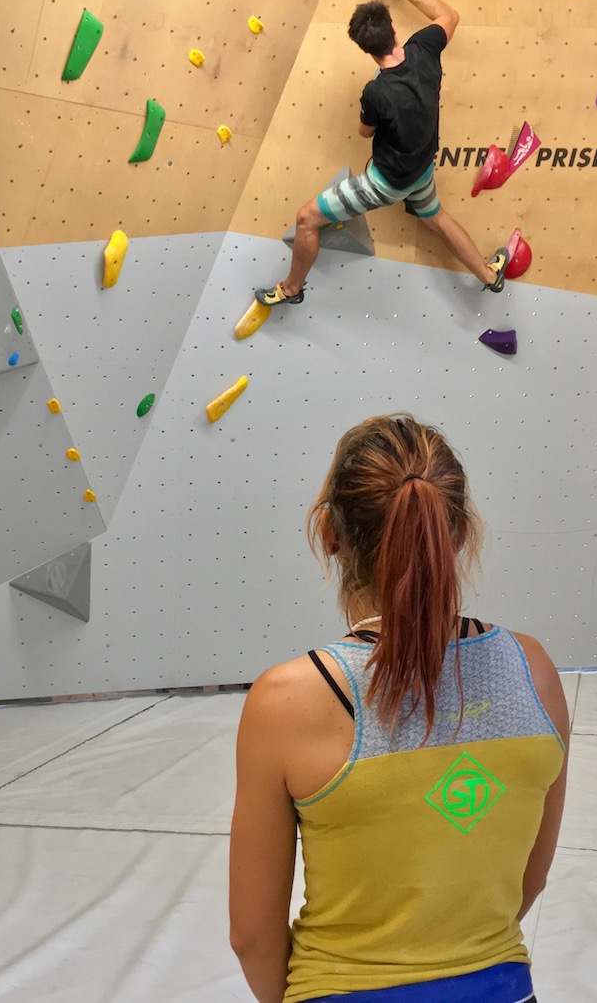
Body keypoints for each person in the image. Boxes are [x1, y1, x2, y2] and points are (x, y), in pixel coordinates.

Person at [229, 414, 571, 1003]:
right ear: (458, 533)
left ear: (329, 533)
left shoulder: (286, 701)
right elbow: (527, 881)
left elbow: (253, 938)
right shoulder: (531, 669)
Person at [256, 0, 517, 308]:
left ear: (365, 50)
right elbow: (449, 15)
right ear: (394, 28)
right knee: (436, 217)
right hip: (423, 166)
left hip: (388, 183)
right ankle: (486, 275)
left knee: (307, 220)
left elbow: (364, 132)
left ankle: (291, 289)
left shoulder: (377, 93)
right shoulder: (425, 48)